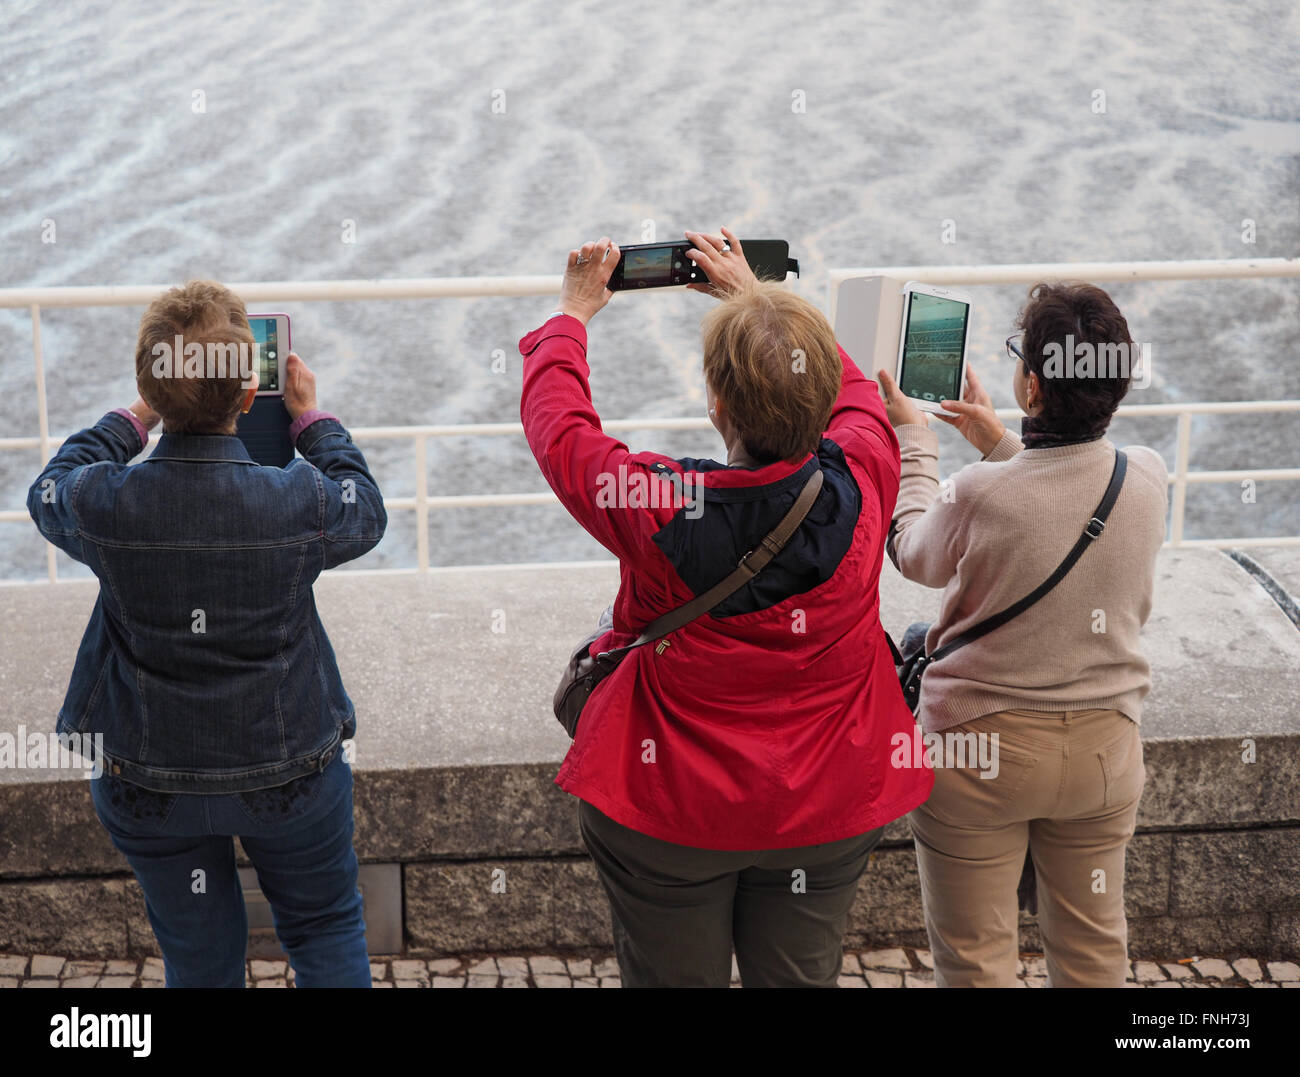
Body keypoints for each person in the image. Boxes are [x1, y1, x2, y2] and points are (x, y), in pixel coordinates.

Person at [519, 228, 933, 988]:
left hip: (671, 805)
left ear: (716, 404)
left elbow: (563, 436)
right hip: (827, 798)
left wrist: (572, 315)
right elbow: (857, 393)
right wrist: (755, 297)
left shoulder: (658, 506)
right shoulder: (868, 470)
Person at [27, 280, 387, 987]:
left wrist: (132, 419)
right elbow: (364, 509)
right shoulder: (297, 501)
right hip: (289, 773)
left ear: (151, 393)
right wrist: (313, 421)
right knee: (323, 928)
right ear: (250, 395)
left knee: (198, 957)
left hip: (149, 779)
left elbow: (48, 487)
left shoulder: (106, 502)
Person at [876, 281, 1168, 987]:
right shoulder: (1149, 478)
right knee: (1094, 948)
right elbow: (1063, 496)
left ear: (1031, 382)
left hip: (982, 755)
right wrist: (1002, 441)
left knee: (977, 957)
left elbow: (913, 550)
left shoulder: (978, 491)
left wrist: (916, 444)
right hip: (1103, 753)